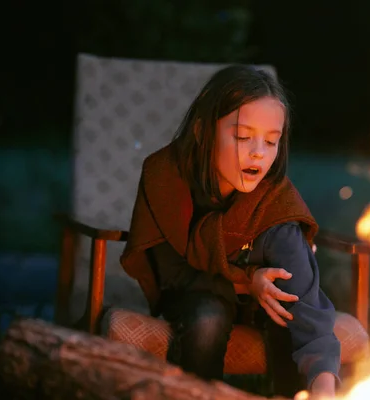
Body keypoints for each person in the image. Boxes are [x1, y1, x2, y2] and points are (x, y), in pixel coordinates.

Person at [120, 65, 340, 399]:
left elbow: (305, 304)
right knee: (208, 318)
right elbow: (172, 274)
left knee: (285, 314)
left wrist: (324, 385)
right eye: (242, 136)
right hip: (193, 292)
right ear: (202, 131)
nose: (258, 153)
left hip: (259, 309)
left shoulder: (275, 205)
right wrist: (247, 282)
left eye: (271, 141)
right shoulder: (165, 177)